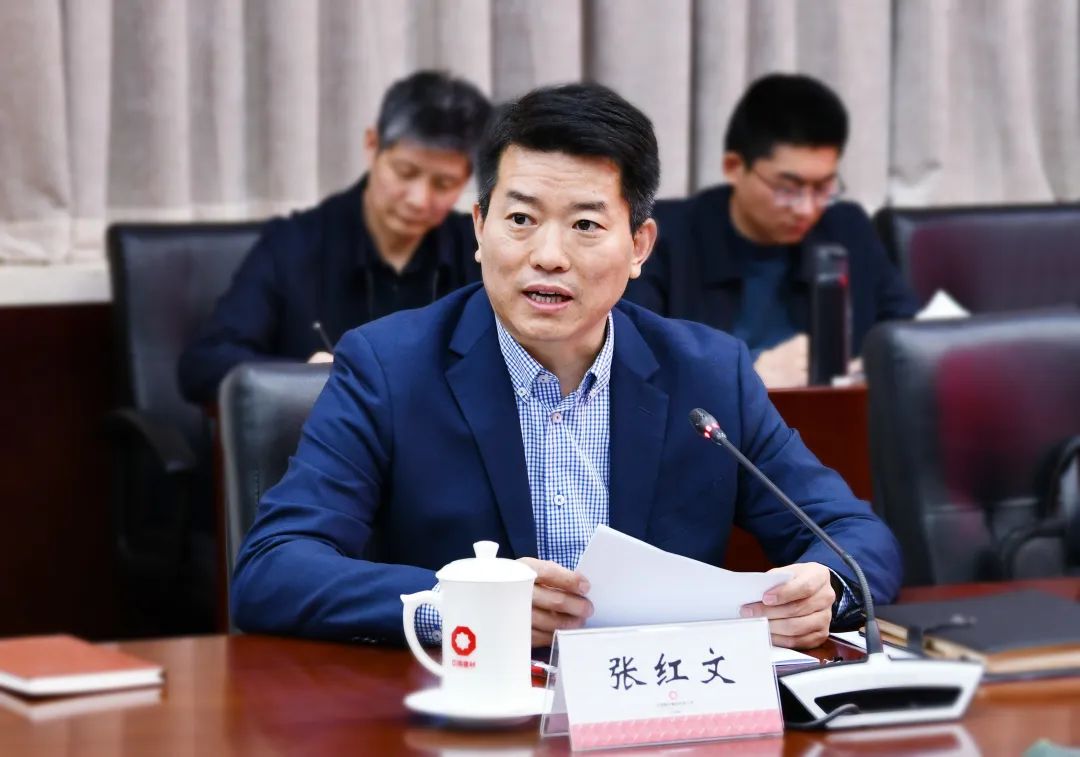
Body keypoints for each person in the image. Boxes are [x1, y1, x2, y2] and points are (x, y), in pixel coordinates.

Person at [230, 82, 902, 651]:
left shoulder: (708, 374)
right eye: (521, 218)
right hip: (474, 711)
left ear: (639, 246)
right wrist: (469, 603)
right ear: (479, 228)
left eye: (585, 225)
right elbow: (272, 570)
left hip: (659, 716)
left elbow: (856, 536)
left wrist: (827, 587)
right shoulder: (388, 367)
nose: (547, 255)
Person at [178, 70, 493, 403]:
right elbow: (204, 364)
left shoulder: (478, 249)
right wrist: (299, 378)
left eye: (443, 184)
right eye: (405, 172)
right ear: (372, 145)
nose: (419, 199)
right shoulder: (294, 245)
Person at [626, 73, 917, 388]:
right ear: (734, 167)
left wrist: (872, 366)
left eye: (823, 187)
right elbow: (634, 365)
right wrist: (748, 374)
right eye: (788, 188)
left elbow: (907, 335)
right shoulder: (661, 239)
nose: (806, 208)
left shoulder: (846, 229)